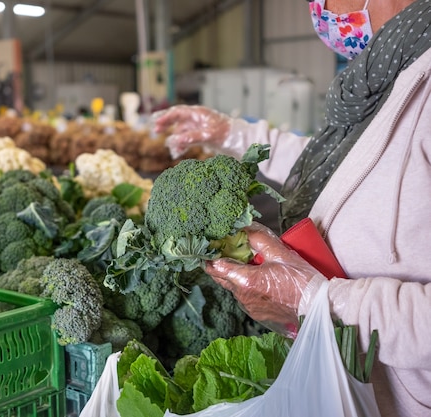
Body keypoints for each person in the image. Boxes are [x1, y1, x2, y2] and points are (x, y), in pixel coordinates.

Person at [153, 1, 431, 416]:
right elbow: (348, 165)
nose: (317, 7)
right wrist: (232, 134)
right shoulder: (397, 65)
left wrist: (319, 300)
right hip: (365, 390)